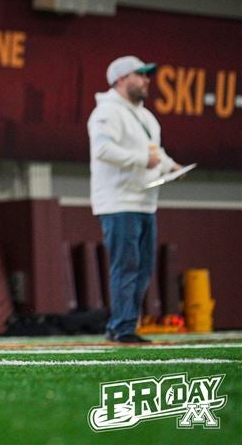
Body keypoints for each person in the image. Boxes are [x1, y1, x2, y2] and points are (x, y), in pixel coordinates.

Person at [88, 55, 181, 344]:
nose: (146, 80)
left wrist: (171, 166)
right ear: (120, 79)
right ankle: (122, 327)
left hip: (144, 200)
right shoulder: (106, 113)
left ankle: (122, 323)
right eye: (139, 74)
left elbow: (155, 152)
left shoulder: (145, 117)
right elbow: (104, 150)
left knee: (142, 268)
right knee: (126, 266)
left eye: (146, 74)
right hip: (119, 201)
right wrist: (145, 159)